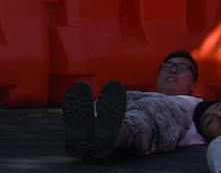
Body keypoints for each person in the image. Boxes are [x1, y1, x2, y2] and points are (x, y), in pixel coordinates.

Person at [63, 51, 206, 160]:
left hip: (171, 108)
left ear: (194, 85)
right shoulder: (138, 95)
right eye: (167, 66)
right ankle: (86, 131)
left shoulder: (198, 106)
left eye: (182, 67)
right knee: (121, 98)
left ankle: (114, 135)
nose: (173, 70)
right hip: (144, 98)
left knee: (147, 110)